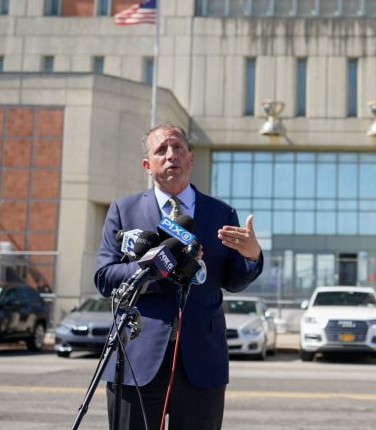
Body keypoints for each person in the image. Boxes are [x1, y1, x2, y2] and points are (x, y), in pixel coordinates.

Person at [95, 124, 263, 430]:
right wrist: (155, 267)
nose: (171, 155)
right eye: (161, 150)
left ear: (191, 158)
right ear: (147, 165)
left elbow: (233, 281)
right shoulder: (123, 210)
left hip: (202, 362)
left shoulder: (221, 213)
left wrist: (252, 256)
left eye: (178, 148)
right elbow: (105, 278)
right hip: (137, 358)